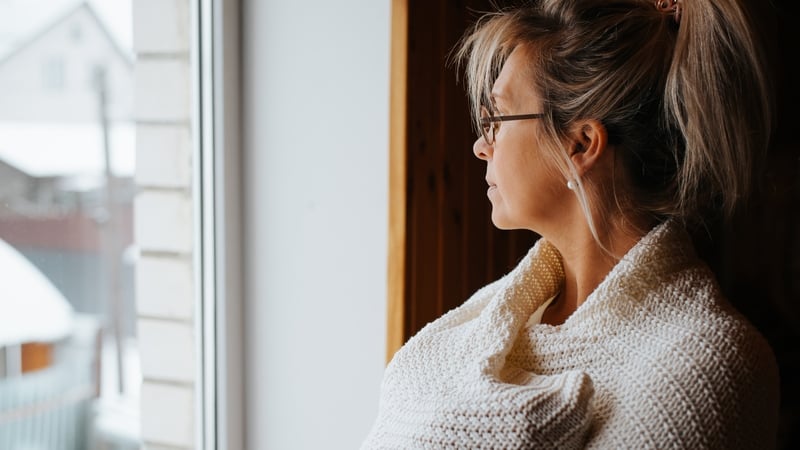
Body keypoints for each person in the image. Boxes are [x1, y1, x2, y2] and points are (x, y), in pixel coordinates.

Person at [362, 0, 780, 448]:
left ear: (581, 144)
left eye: (497, 119)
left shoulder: (707, 363)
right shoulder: (482, 320)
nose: (481, 146)